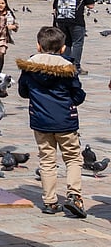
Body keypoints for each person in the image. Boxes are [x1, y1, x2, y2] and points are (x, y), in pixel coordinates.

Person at [17, 26, 87, 217]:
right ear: (63, 48)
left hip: (40, 120)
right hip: (65, 120)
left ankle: (50, 202)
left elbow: (23, 92)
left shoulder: (29, 67)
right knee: (73, 158)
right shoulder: (68, 68)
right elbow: (77, 95)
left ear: (38, 46)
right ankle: (74, 196)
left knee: (47, 160)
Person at [52, 0, 94, 76]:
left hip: (61, 19)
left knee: (66, 43)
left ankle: (65, 65)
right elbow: (91, 5)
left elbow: (55, 7)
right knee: (77, 43)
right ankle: (75, 67)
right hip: (76, 20)